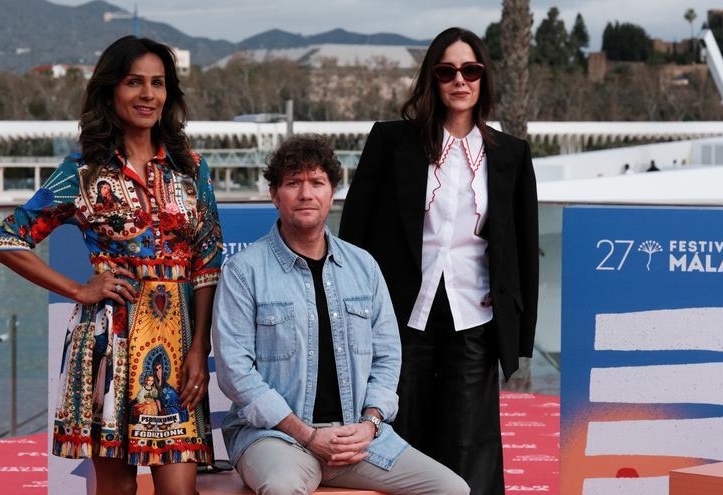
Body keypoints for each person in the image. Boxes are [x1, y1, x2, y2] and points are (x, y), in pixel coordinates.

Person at [0, 35, 222, 495]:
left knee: (180, 491)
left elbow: (208, 259)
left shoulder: (191, 168)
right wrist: (79, 289)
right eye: (135, 82)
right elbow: (6, 239)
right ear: (111, 90)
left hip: (177, 348)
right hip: (106, 345)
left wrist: (200, 347)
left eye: (158, 84)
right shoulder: (82, 171)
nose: (148, 95)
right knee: (117, 491)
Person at [338, 26, 539, 494]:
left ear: (484, 78)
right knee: (396, 435)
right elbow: (354, 234)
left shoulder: (510, 154)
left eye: (471, 70)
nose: (460, 80)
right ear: (433, 78)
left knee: (469, 440)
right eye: (447, 70)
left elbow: (524, 249)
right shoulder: (391, 143)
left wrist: (519, 332)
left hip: (475, 315)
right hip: (400, 314)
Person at [212, 135, 469, 495]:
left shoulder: (363, 267)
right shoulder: (244, 271)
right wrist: (308, 435)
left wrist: (370, 423)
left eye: (316, 182)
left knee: (451, 489)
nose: (306, 194)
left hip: (356, 436)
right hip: (275, 437)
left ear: (332, 192)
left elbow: (387, 356)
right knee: (282, 488)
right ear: (274, 194)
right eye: (292, 183)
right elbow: (236, 372)